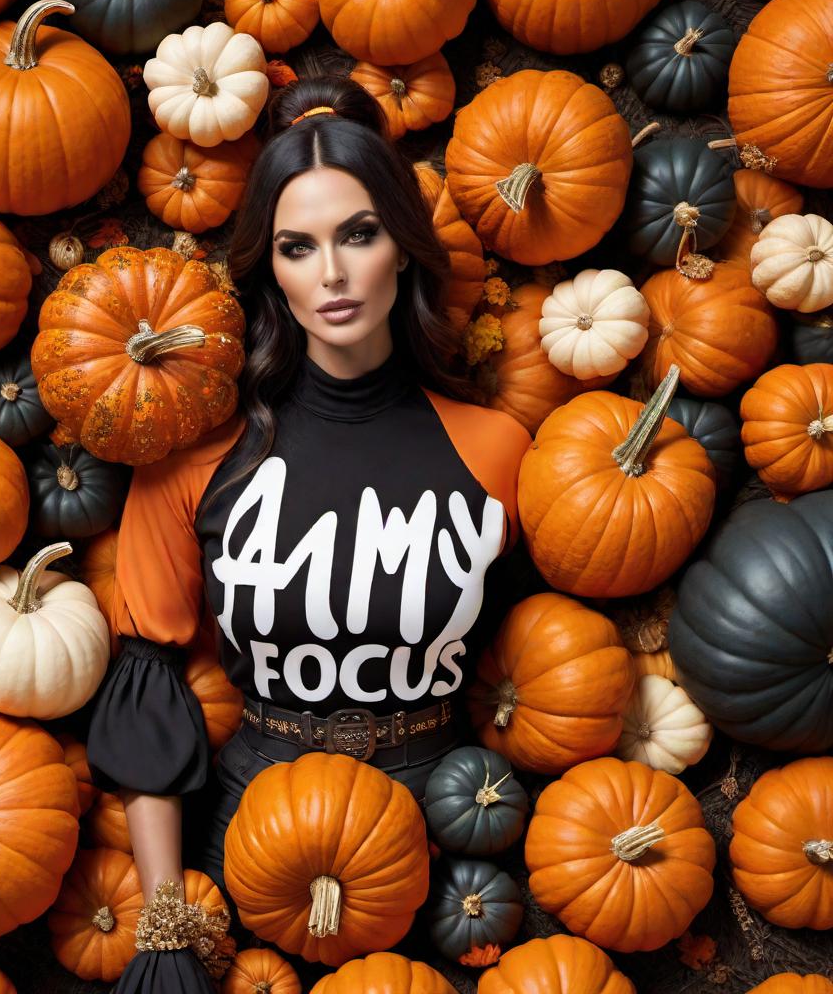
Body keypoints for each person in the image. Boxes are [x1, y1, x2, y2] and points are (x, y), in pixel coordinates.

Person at [84, 72, 532, 992]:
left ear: (402, 249)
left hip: (446, 837)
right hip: (252, 827)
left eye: (358, 235)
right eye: (298, 246)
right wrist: (165, 928)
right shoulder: (195, 461)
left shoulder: (498, 450)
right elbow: (150, 678)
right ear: (270, 267)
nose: (331, 273)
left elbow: (537, 661)